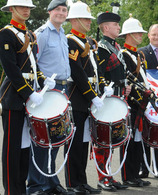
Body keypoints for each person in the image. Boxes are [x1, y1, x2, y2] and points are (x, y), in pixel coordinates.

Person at [0, 0, 52, 194]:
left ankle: (21, 188)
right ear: (12, 9)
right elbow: (11, 69)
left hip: (31, 97)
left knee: (24, 146)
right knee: (12, 148)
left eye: (28, 7)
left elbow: (33, 64)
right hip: (14, 98)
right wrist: (28, 93)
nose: (26, 10)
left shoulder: (29, 34)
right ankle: (12, 190)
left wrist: (43, 80)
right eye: (22, 7)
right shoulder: (6, 33)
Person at [26, 0, 73, 194]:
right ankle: (36, 183)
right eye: (58, 10)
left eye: (64, 10)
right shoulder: (42, 34)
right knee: (42, 139)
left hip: (63, 89)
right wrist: (40, 85)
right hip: (47, 91)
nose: (61, 13)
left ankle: (50, 181)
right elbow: (32, 62)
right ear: (49, 12)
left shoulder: (63, 33)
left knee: (57, 137)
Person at [64, 1, 105, 193]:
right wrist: (91, 95)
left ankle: (82, 181)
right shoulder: (71, 41)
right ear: (75, 20)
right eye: (86, 19)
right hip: (77, 96)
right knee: (75, 143)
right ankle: (73, 183)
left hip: (88, 97)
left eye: (89, 19)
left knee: (84, 142)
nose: (89, 23)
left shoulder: (87, 42)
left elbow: (94, 70)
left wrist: (100, 91)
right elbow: (77, 72)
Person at [94, 11, 130, 192]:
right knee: (103, 139)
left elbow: (119, 73)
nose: (118, 27)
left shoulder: (115, 45)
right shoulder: (101, 48)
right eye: (116, 25)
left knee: (112, 138)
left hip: (118, 96)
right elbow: (99, 73)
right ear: (106, 27)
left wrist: (126, 86)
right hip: (105, 97)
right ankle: (102, 177)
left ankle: (108, 175)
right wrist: (105, 89)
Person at [118, 14, 151, 187]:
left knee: (137, 140)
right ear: (129, 35)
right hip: (131, 102)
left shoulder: (138, 54)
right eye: (138, 33)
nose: (141, 36)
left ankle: (135, 174)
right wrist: (140, 99)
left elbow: (142, 80)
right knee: (129, 140)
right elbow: (128, 81)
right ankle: (127, 175)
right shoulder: (123, 54)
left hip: (141, 103)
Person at [138, 24, 158, 179]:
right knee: (145, 132)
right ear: (149, 36)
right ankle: (144, 168)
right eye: (154, 35)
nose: (156, 37)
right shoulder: (141, 53)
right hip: (147, 98)